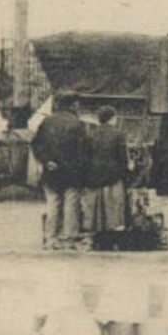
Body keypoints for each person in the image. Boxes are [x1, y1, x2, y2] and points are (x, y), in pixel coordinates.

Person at [31, 91, 90, 249]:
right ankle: (69, 239)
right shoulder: (77, 124)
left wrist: (47, 161)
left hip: (51, 171)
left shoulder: (46, 122)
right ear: (73, 105)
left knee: (52, 205)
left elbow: (37, 144)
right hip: (71, 172)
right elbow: (83, 150)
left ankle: (50, 238)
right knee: (71, 205)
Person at [87, 106, 131, 236]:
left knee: (98, 206)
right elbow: (122, 157)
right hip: (113, 175)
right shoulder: (118, 134)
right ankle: (114, 231)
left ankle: (98, 230)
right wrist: (126, 172)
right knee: (114, 205)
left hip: (95, 175)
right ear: (112, 118)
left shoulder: (91, 134)